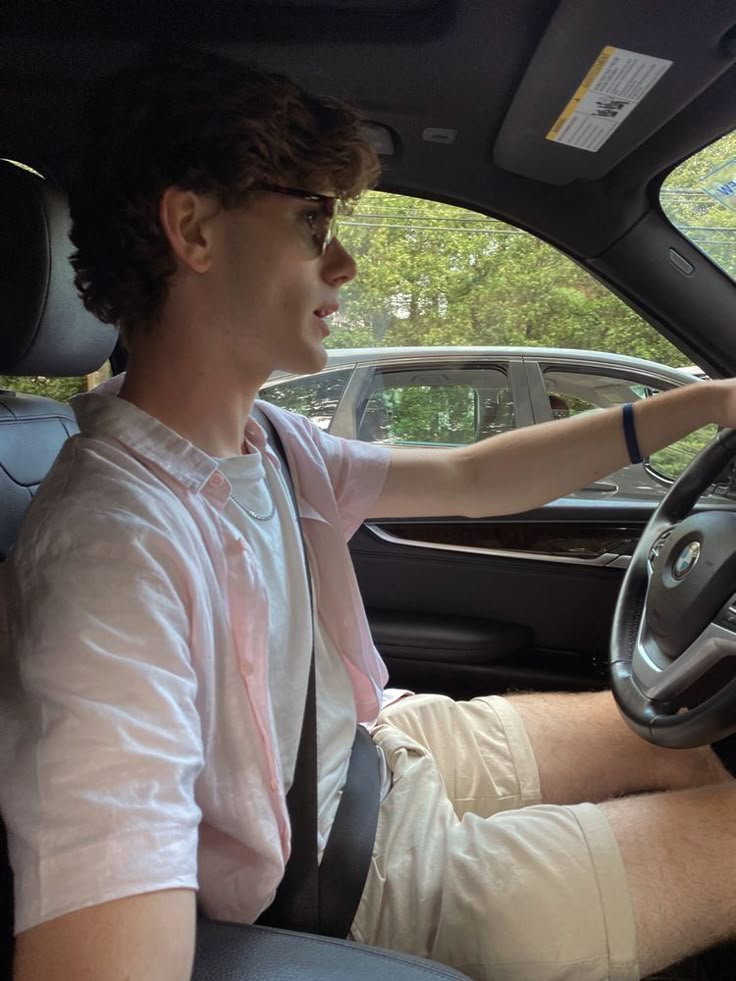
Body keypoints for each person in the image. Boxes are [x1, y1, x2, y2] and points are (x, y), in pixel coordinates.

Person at [2, 47, 736, 981]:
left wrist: (703, 404)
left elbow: (473, 480)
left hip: (385, 750)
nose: (344, 262)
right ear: (193, 228)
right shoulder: (111, 552)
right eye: (313, 223)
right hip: (354, 881)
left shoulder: (268, 441)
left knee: (686, 741)